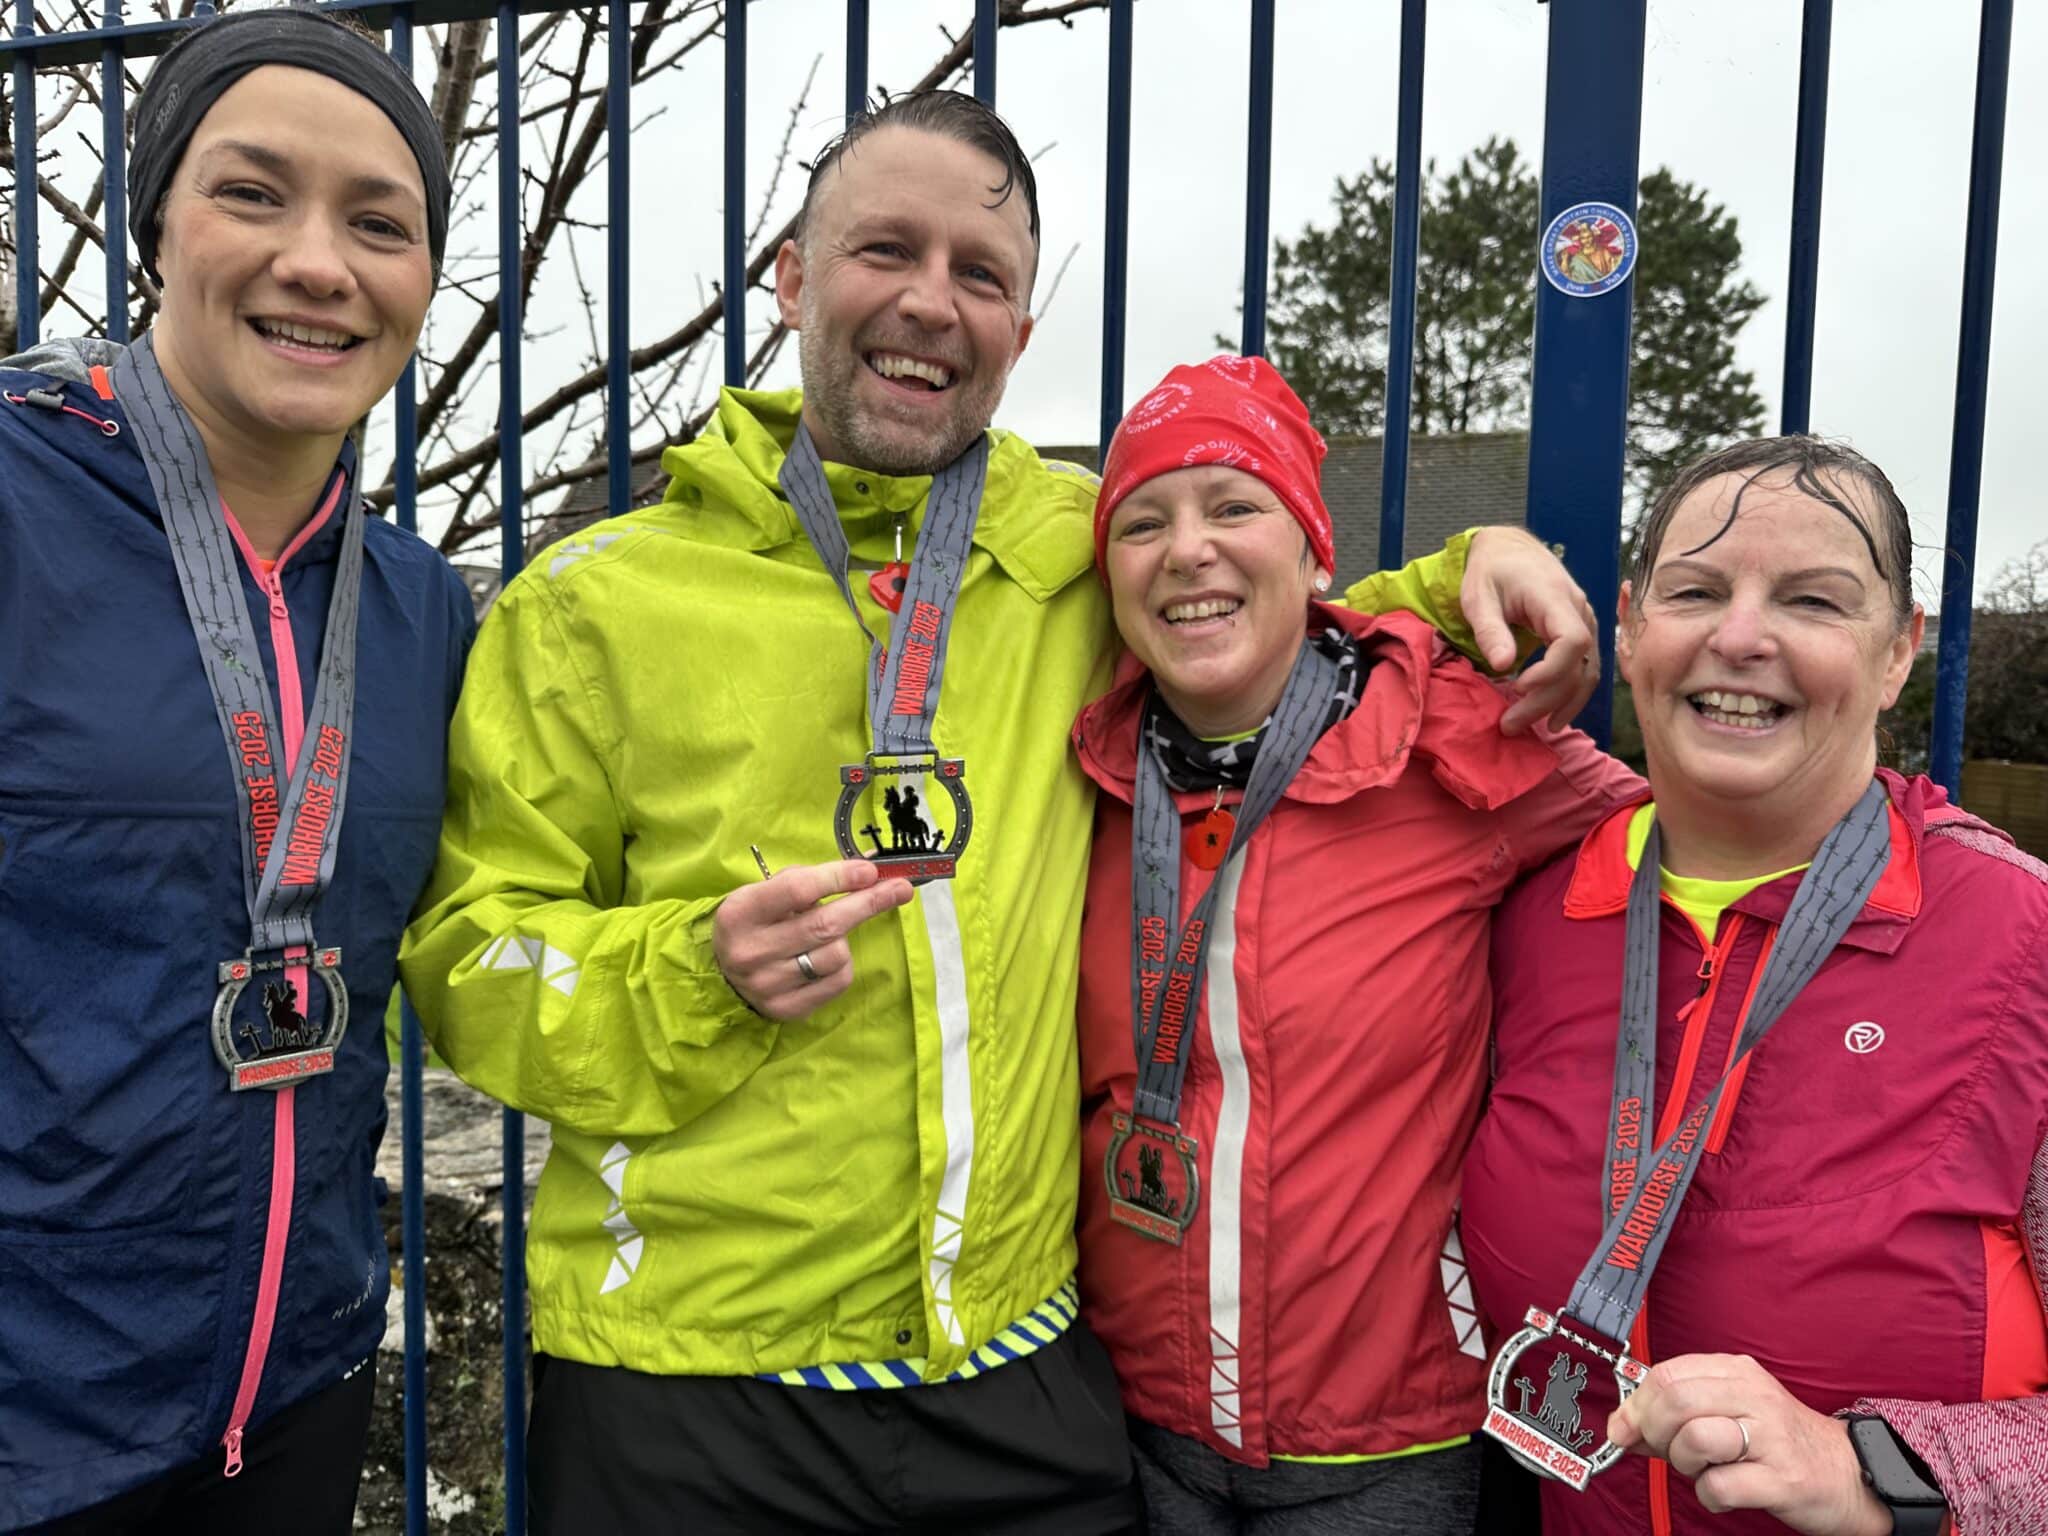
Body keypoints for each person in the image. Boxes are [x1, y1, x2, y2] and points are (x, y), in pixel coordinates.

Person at [399, 89, 1601, 1535]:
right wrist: (688, 973)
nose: (930, 303)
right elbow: (471, 959)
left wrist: (1480, 558)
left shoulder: (1074, 553)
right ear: (790, 276)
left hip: (1020, 1385)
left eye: (982, 276)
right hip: (686, 1390)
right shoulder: (589, 602)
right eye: (883, 251)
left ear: (1022, 332)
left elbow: (1269, 615)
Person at [0, 9, 472, 1534]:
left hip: (295, 1407)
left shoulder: (420, 612)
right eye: (253, 193)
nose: (320, 263)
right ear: (157, 230)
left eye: (379, 222)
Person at [1070, 357, 1643, 1534]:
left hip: (1385, 1447)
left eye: (1234, 506)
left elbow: (1703, 842)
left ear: (1313, 553)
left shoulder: (1454, 744)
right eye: (1142, 521)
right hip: (1130, 1419)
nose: (1186, 550)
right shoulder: (1073, 771)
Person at [1461, 437, 2048, 1536]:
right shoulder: (1524, 913)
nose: (1738, 637)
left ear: (1896, 654)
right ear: (1629, 626)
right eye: (1694, 591)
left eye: (1812, 601)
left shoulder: (2021, 943)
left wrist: (1875, 1465)